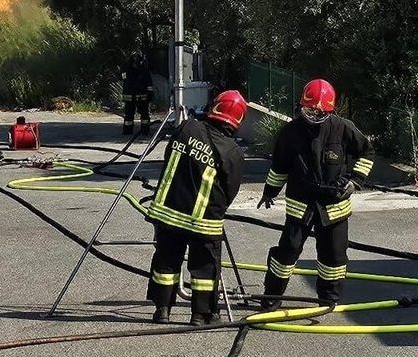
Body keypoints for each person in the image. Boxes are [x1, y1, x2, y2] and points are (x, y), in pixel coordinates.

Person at [256, 78, 375, 310]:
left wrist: (356, 180)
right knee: (287, 251)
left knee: (334, 256)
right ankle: (272, 296)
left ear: (330, 110)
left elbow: (367, 152)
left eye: (320, 111)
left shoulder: (343, 128)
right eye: (310, 110)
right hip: (301, 203)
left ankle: (328, 298)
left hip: (334, 204)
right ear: (302, 105)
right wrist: (269, 192)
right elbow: (279, 166)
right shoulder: (290, 132)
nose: (314, 114)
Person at [146, 90, 247, 325]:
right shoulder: (232, 152)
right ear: (238, 119)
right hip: (204, 221)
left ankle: (162, 310)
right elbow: (230, 190)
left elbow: (170, 156)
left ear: (215, 107)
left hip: (168, 212)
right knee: (204, 269)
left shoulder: (187, 128)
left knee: (166, 261)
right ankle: (200, 315)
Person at [121, 51, 153, 135]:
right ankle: (128, 130)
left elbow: (149, 83)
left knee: (144, 115)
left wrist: (149, 94)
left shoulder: (144, 70)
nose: (136, 60)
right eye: (134, 58)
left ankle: (144, 130)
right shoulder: (127, 70)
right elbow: (124, 81)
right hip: (131, 96)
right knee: (129, 115)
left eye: (137, 58)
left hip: (141, 96)